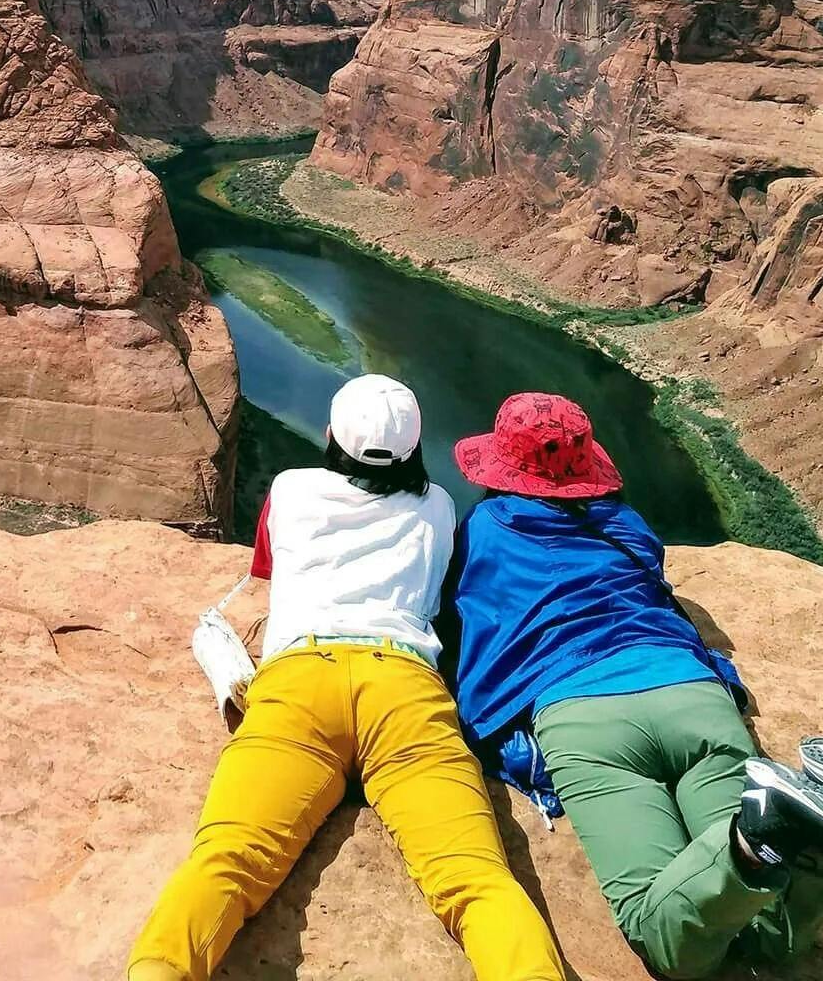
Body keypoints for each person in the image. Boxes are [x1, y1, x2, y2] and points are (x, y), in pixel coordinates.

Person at [444, 391, 823, 980]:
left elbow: (462, 619)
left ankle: (755, 838)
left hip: (585, 716)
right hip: (694, 694)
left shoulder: (484, 530)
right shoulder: (627, 525)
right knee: (770, 935)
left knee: (668, 943)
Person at [128, 375, 565, 981]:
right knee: (477, 880)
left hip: (300, 685)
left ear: (330, 436)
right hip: (405, 691)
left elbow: (268, 572)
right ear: (416, 447)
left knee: (226, 861)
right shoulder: (437, 505)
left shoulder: (289, 488)